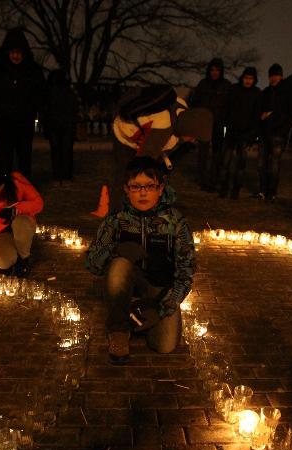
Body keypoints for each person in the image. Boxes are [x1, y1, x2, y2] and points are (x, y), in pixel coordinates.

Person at [86, 157, 195, 364]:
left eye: (149, 186)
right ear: (126, 189)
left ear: (161, 188)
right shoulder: (117, 220)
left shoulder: (175, 222)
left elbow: (186, 271)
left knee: (164, 345)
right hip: (125, 286)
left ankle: (138, 314)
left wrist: (162, 308)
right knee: (119, 265)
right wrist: (115, 250)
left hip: (159, 290)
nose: (143, 193)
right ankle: (119, 329)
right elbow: (92, 263)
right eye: (136, 186)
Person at [110, 85, 212, 211]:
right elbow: (142, 163)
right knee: (126, 174)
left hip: (145, 137)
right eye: (194, 137)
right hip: (125, 134)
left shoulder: (181, 106)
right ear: (188, 129)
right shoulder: (162, 130)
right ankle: (117, 213)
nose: (194, 140)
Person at [0, 28, 46, 178]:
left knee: (24, 157)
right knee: (4, 157)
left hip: (25, 122)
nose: (16, 56)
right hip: (5, 122)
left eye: (19, 52)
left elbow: (40, 95)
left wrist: (39, 112)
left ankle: (24, 186)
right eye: (13, 52)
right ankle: (5, 185)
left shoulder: (33, 71)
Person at [258, 63, 292, 203]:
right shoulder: (266, 92)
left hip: (278, 133)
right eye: (272, 75)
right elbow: (259, 109)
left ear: (281, 76)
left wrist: (283, 130)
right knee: (261, 164)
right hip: (265, 132)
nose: (274, 78)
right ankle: (262, 190)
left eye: (276, 75)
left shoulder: (288, 92)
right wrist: (261, 116)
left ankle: (272, 192)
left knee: (274, 164)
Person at [190, 58, 231, 191]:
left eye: (217, 70)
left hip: (219, 124)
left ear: (221, 71)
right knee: (202, 154)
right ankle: (202, 180)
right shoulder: (203, 84)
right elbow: (194, 103)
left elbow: (230, 106)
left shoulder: (226, 85)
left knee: (217, 155)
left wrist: (226, 121)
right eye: (212, 70)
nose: (214, 72)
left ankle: (213, 180)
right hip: (204, 124)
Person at [220, 67, 260, 199]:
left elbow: (256, 116)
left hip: (245, 133)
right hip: (231, 131)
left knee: (241, 164)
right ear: (242, 77)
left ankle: (236, 189)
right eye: (246, 78)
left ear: (254, 80)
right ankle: (224, 187)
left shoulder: (256, 93)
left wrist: (252, 135)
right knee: (225, 162)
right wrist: (226, 124)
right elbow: (226, 108)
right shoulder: (234, 89)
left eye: (251, 78)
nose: (248, 81)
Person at [43, 69, 79, 182]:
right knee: (67, 150)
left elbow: (46, 111)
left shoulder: (50, 93)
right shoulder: (70, 93)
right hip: (67, 126)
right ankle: (66, 173)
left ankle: (57, 173)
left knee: (56, 150)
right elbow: (74, 111)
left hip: (54, 125)